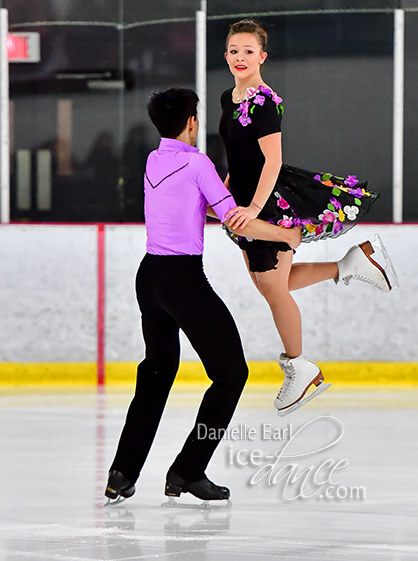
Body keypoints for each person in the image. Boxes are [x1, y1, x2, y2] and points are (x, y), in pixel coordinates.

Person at [105, 88, 302, 504]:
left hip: (150, 278)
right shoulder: (198, 163)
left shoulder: (153, 159)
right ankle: (188, 470)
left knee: (157, 371)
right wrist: (285, 234)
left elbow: (197, 204)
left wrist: (222, 199)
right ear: (192, 123)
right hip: (182, 282)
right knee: (232, 374)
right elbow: (236, 220)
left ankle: (122, 472)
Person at [220, 19, 398, 417]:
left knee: (273, 288)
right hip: (245, 199)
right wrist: (223, 192)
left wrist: (252, 208)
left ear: (262, 56)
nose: (240, 58)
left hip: (265, 201)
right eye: (234, 50)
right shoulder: (228, 97)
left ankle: (299, 367)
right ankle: (349, 264)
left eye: (248, 51)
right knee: (270, 286)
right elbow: (237, 156)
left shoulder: (264, 103)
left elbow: (272, 160)